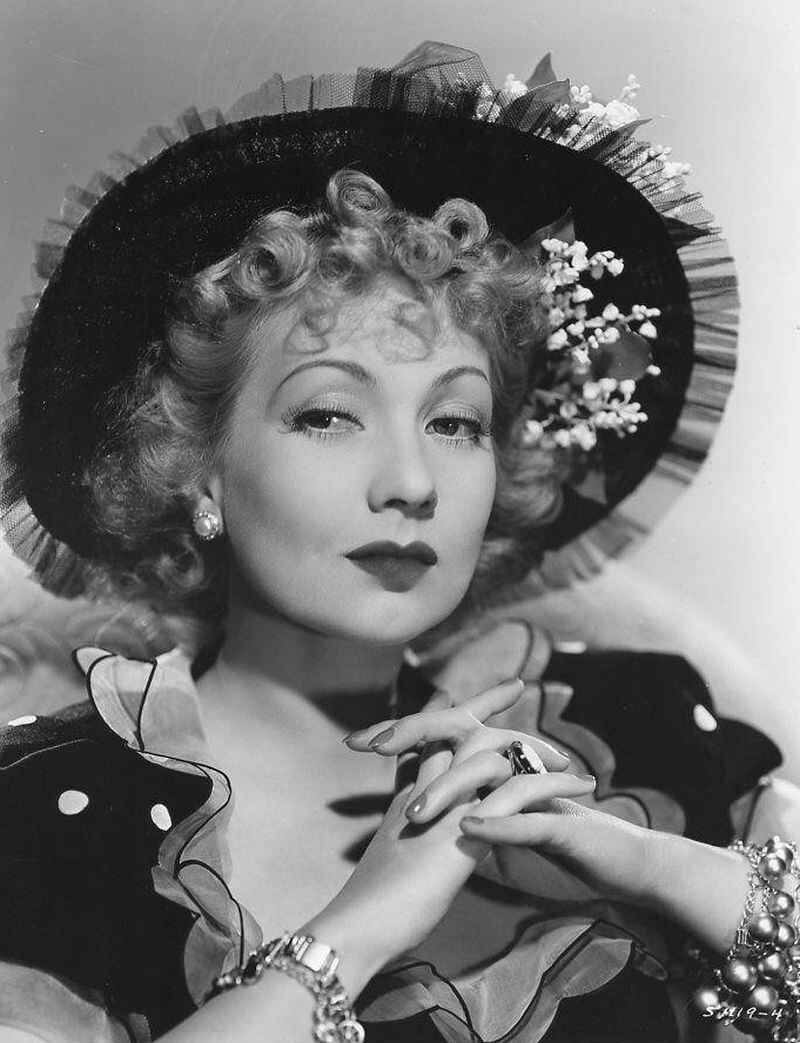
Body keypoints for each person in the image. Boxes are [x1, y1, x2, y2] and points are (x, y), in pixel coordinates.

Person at [0, 42, 797, 1043]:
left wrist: (650, 862)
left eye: (455, 422)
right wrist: (362, 925)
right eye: (329, 414)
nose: (412, 482)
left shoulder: (643, 731)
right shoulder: (41, 813)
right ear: (197, 470)